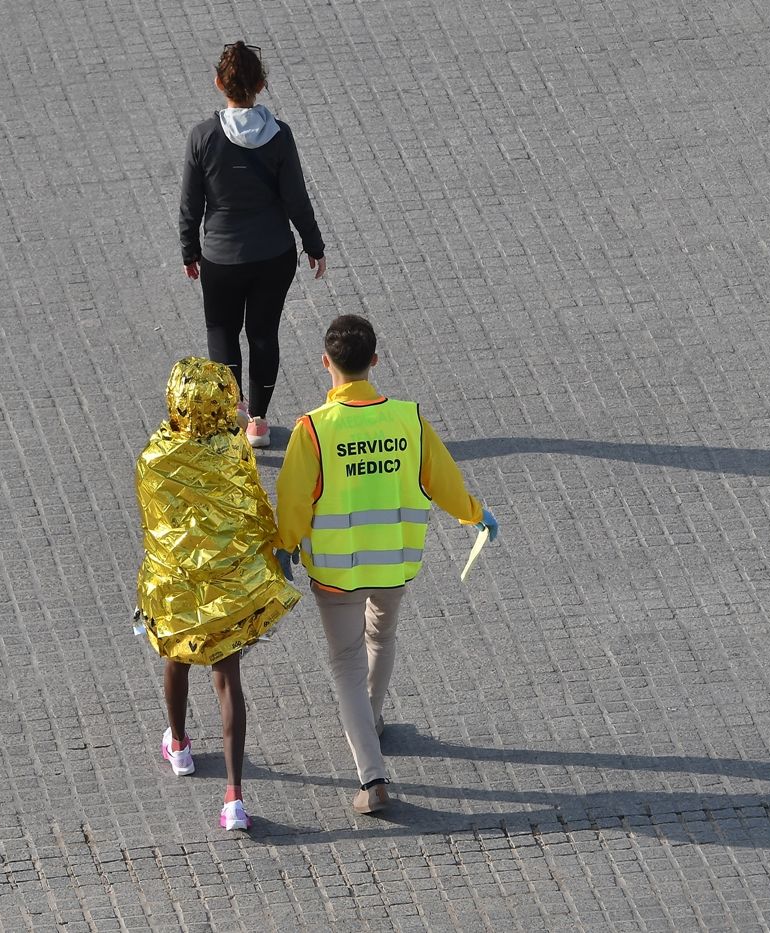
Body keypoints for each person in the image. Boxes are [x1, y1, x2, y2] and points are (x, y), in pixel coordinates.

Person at [274, 315, 499, 815]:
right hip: (395, 563)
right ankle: (372, 719)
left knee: (346, 664)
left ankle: (371, 776)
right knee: (382, 638)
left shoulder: (313, 429)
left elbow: (293, 503)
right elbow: (443, 481)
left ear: (325, 363)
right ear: (374, 361)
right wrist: (476, 514)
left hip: (335, 571)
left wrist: (285, 545)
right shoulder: (408, 420)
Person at [135, 357, 300, 831]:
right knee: (228, 679)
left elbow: (153, 523)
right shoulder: (233, 451)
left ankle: (181, 746)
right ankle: (234, 797)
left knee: (176, 658)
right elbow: (252, 503)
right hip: (228, 583)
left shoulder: (154, 457)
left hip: (177, 580)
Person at [179, 41, 328, 450]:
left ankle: (232, 411)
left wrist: (189, 250)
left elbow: (192, 202)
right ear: (261, 85)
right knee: (264, 334)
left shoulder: (203, 136)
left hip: (221, 258)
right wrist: (314, 245)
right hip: (272, 256)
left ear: (218, 83)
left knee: (221, 330)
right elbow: (297, 198)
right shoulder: (280, 136)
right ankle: (258, 423)